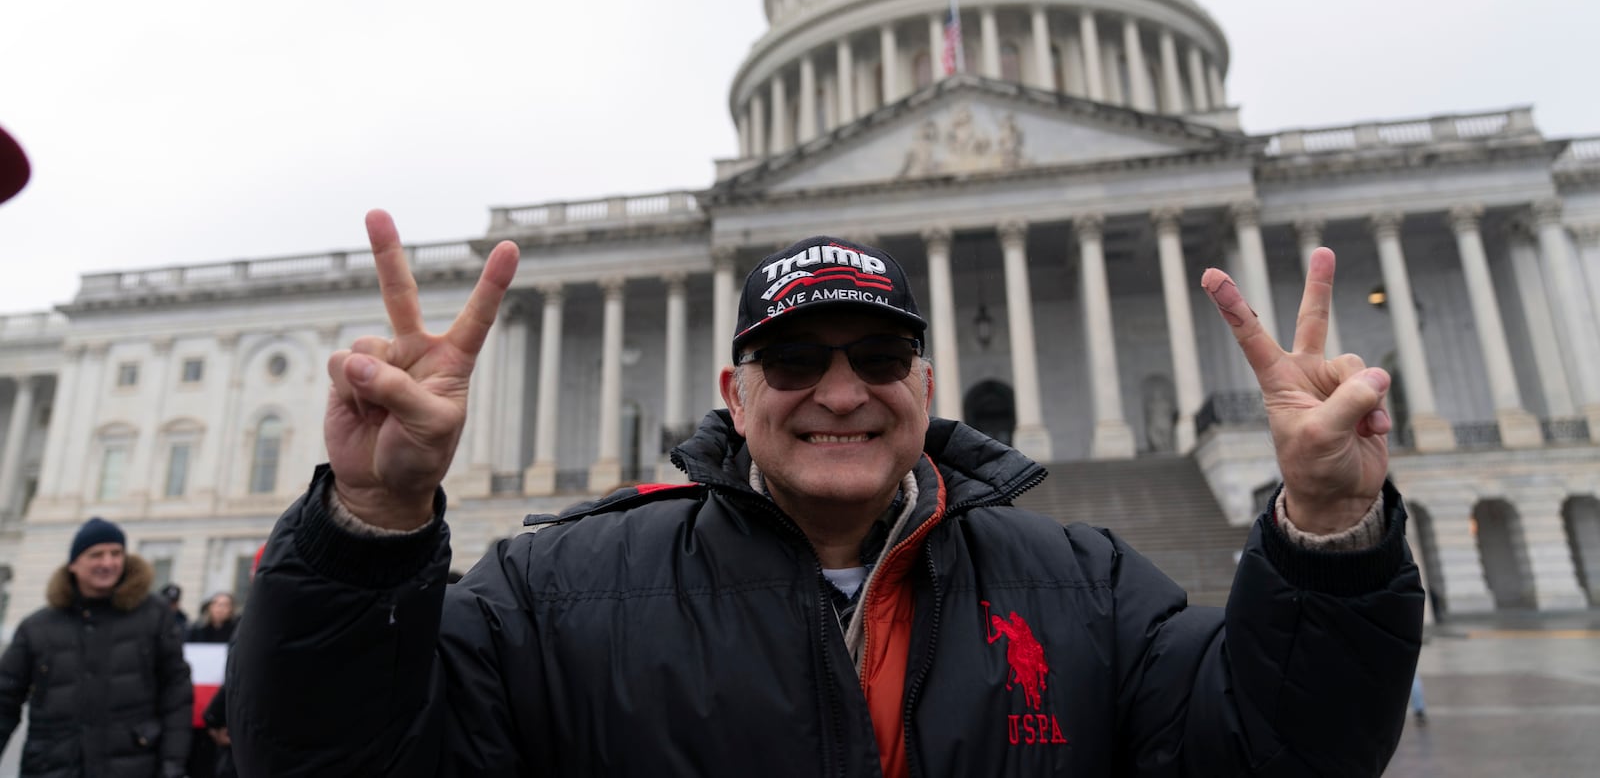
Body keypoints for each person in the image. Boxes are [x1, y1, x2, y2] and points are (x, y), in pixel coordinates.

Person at [230, 211, 1423, 776]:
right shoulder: (555, 596)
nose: (839, 392)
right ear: (733, 392)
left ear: (927, 381)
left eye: (878, 358)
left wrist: (1326, 527)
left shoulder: (1092, 594)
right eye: (795, 361)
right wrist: (370, 522)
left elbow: (1278, 755)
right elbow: (329, 764)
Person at [0, 517, 193, 776]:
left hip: (134, 766)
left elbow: (176, 694)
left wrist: (172, 766)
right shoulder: (36, 627)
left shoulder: (154, 616)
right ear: (74, 564)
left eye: (116, 553)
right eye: (96, 554)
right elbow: (4, 699)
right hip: (52, 767)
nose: (108, 563)